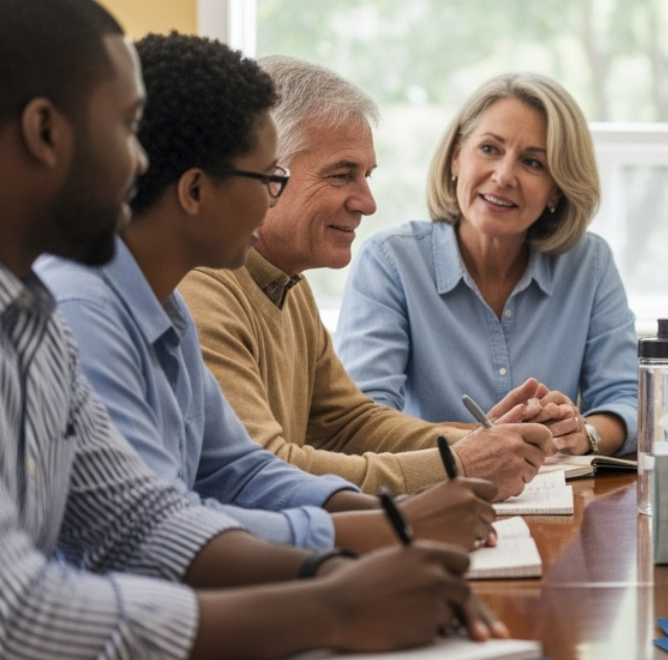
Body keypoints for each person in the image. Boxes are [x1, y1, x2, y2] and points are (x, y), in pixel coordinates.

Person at [0, 0, 501, 660]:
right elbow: (21, 628)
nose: (144, 163)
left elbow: (143, 519)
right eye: (127, 128)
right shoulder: (76, 302)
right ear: (46, 133)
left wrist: (338, 566)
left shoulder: (34, 315)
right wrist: (330, 606)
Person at [37, 32, 496, 552]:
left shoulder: (167, 305)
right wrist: (390, 531)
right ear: (194, 190)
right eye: (265, 180)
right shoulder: (94, 306)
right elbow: (154, 533)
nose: (267, 202)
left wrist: (397, 517)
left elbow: (240, 469)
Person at [178, 57, 555, 498]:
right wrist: (459, 463)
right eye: (342, 175)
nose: (367, 202)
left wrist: (485, 444)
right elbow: (264, 469)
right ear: (263, 170)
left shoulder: (287, 284)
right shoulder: (200, 286)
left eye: (367, 176)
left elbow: (348, 423)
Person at [335, 72, 638, 456]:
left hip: (560, 499)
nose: (503, 176)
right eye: (490, 149)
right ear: (456, 157)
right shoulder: (390, 262)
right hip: (434, 497)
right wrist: (492, 441)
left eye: (532, 163)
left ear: (556, 191)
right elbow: (365, 419)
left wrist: (584, 432)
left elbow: (627, 399)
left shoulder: (589, 264)